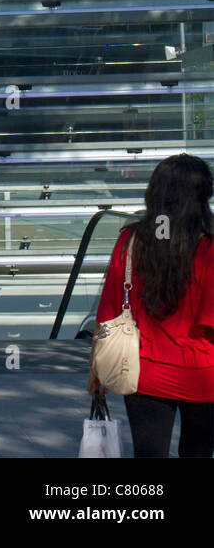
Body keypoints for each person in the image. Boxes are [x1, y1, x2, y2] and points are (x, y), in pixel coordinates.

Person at [90, 154, 214, 458]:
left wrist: (95, 370)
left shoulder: (130, 241)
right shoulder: (209, 248)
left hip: (143, 374)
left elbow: (108, 313)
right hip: (203, 376)